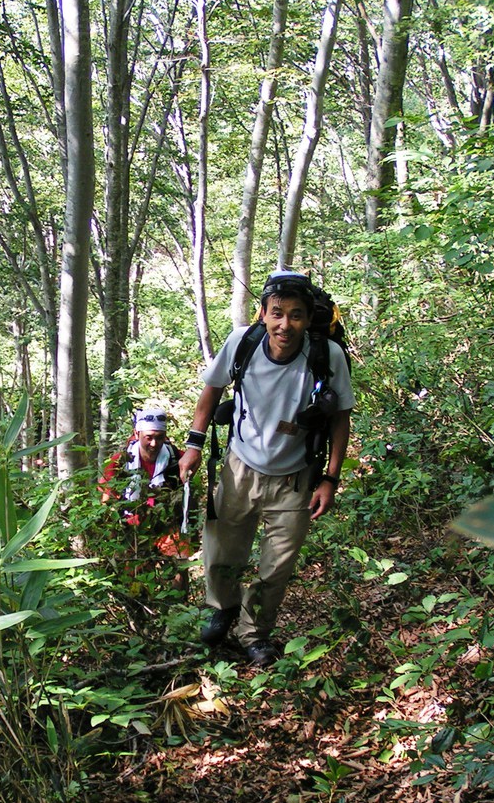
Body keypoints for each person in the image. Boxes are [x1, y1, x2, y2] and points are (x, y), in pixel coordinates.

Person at [178, 271, 355, 667]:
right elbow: (212, 390)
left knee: (277, 566)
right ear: (262, 314)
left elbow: (341, 418)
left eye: (295, 315)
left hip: (296, 477)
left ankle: (254, 632)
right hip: (240, 467)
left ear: (308, 320)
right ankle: (223, 607)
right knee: (221, 548)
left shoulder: (328, 356)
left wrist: (330, 478)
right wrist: (193, 444)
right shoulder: (243, 342)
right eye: (277, 313)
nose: (284, 325)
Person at [100, 404, 192, 596]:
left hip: (168, 524)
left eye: (159, 438)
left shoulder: (177, 458)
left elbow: (192, 482)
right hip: (133, 528)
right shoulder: (119, 461)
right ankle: (141, 613)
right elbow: (106, 500)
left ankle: (177, 611)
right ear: (137, 434)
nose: (153, 444)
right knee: (134, 578)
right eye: (148, 437)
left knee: (179, 568)